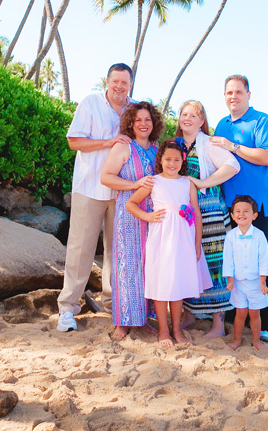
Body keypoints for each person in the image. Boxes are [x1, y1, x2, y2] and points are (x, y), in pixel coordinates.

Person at [57, 64, 135, 333]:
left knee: (117, 250)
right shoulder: (91, 103)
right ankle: (67, 308)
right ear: (108, 81)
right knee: (80, 250)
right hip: (89, 187)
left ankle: (114, 305)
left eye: (124, 83)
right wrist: (108, 142)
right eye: (115, 81)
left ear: (130, 85)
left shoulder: (134, 109)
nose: (119, 87)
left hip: (122, 191)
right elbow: (74, 141)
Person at [211, 74, 268, 341]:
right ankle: (234, 313)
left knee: (263, 263)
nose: (233, 97)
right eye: (229, 92)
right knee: (235, 262)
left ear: (248, 95)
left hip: (257, 208)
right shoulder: (221, 124)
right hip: (229, 206)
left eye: (239, 92)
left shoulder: (262, 121)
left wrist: (234, 147)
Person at [126, 140, 212, 346]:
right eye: (167, 160)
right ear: (161, 160)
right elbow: (131, 203)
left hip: (184, 239)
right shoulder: (153, 181)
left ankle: (176, 329)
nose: (172, 164)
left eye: (176, 160)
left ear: (182, 161)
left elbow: (196, 214)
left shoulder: (187, 183)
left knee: (178, 283)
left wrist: (197, 242)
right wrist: (147, 217)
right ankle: (163, 331)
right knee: (162, 282)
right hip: (162, 239)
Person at [175, 100, 240, 338]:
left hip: (209, 210)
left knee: (213, 263)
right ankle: (190, 314)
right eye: (184, 114)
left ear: (202, 121)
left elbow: (232, 165)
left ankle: (218, 325)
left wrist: (202, 183)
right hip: (185, 213)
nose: (188, 118)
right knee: (189, 260)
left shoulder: (207, 143)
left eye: (194, 115)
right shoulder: (177, 144)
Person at [99, 101, 163, 340]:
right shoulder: (124, 147)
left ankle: (144, 320)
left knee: (149, 267)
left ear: (154, 122)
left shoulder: (158, 149)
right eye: (138, 120)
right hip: (128, 213)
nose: (143, 124)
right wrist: (134, 184)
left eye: (147, 120)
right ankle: (123, 322)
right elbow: (106, 177)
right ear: (131, 124)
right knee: (126, 267)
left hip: (153, 216)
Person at [222, 195, 268, 351]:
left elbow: (264, 260)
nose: (241, 214)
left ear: (254, 216)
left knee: (255, 313)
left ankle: (257, 341)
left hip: (256, 282)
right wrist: (230, 280)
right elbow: (228, 260)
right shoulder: (230, 236)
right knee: (240, 312)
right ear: (232, 215)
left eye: (246, 211)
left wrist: (263, 282)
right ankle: (236, 339)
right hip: (238, 282)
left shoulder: (259, 236)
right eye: (238, 211)